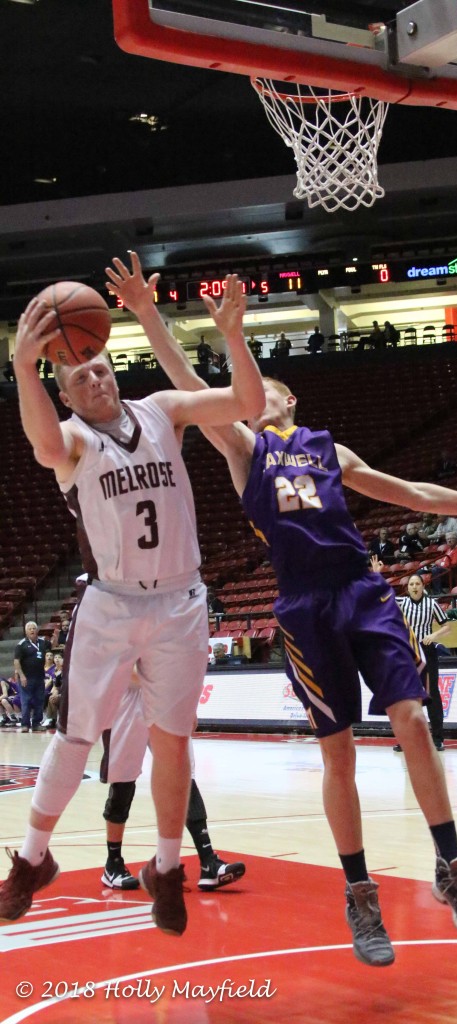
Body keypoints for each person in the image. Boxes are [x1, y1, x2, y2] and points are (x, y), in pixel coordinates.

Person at [109, 252, 457, 967]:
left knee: (411, 722)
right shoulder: (245, 449)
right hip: (303, 606)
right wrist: (153, 317)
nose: (254, 397)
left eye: (267, 390)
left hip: (361, 590)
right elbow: (190, 386)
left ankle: (452, 868)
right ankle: (359, 893)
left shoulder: (326, 449)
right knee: (337, 751)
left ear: (288, 401)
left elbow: (413, 493)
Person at [0, 258, 264, 937]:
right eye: (78, 373)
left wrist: (229, 334)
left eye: (98, 364)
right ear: (66, 391)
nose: (94, 376)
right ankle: (32, 859)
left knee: (173, 742)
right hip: (110, 605)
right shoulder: (74, 443)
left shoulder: (162, 411)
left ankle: (168, 869)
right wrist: (25, 369)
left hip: (179, 601)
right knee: (75, 735)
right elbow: (38, 441)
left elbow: (246, 405)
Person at [100, 676, 245, 893]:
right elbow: (123, 666)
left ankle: (209, 863)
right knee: (123, 782)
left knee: (182, 776)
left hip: (163, 697)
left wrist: (187, 703)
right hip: (126, 696)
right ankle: (113, 863)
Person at [395, 574, 452, 753]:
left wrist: (433, 636)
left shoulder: (431, 604)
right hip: (407, 651)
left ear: (422, 585)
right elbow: (381, 594)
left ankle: (437, 738)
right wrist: (375, 574)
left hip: (427, 651)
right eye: (411, 584)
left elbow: (447, 626)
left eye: (417, 583)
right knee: (406, 695)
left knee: (432, 693)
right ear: (408, 587)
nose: (414, 587)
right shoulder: (402, 603)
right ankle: (406, 739)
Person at [13, 621, 51, 734]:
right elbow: (16, 662)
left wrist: (57, 637)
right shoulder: (21, 644)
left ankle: (36, 724)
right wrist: (22, 676)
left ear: (37, 630)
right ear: (26, 631)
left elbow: (51, 646)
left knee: (39, 700)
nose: (32, 630)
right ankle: (25, 724)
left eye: (34, 628)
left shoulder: (42, 642)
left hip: (39, 678)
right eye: (29, 628)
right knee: (26, 701)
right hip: (26, 679)